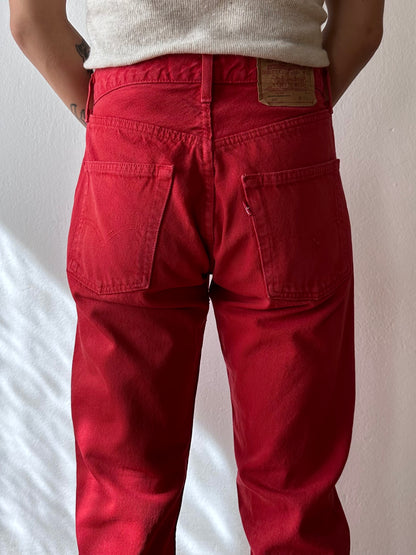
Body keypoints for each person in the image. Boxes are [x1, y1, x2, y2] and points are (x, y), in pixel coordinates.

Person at [9, 1, 384, 553]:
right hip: (281, 130)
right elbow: (364, 26)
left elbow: (29, 22)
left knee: (124, 496)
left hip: (130, 129)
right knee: (295, 496)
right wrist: (290, 117)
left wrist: (122, 114)